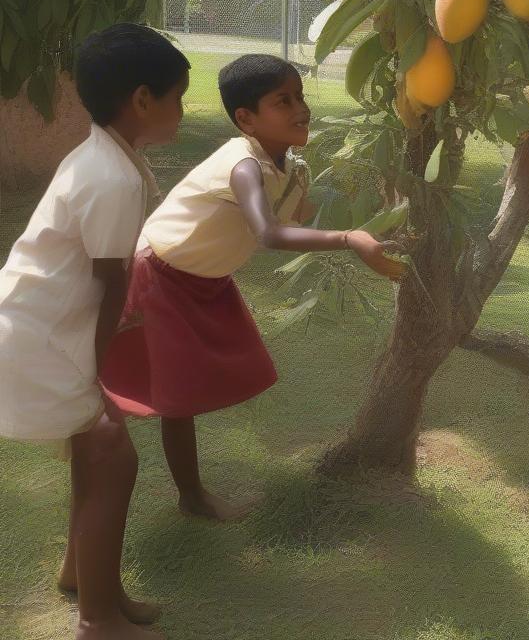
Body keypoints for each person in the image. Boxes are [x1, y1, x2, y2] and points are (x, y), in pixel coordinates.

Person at [101, 54, 404, 520]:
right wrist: (348, 240)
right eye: (282, 101)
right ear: (246, 118)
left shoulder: (284, 164)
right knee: (141, 384)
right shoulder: (243, 165)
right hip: (157, 275)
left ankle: (190, 497)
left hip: (203, 282)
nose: (300, 108)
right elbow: (269, 233)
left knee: (180, 395)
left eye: (300, 97)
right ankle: (109, 468)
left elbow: (293, 218)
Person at [0, 23, 191, 640]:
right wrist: (103, 372)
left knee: (96, 451)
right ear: (142, 100)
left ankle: (84, 577)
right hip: (38, 339)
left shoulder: (107, 157)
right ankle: (98, 619)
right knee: (111, 453)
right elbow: (111, 284)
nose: (182, 111)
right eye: (178, 97)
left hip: (40, 327)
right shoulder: (111, 177)